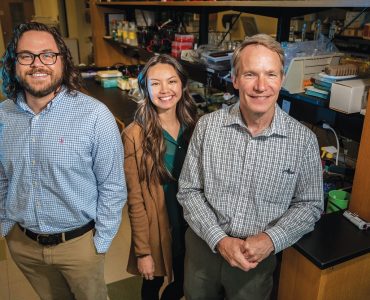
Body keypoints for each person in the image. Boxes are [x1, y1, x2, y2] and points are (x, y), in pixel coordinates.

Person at [177, 33, 324, 300]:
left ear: (281, 80)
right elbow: (189, 191)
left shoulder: (303, 141)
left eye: (270, 74)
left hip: (257, 261)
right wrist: (219, 239)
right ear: (234, 79)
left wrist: (271, 239)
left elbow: (310, 204)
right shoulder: (208, 127)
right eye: (250, 74)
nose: (260, 86)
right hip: (203, 251)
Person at [0, 22, 127, 300]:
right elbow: (2, 177)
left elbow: (113, 186)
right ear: (14, 62)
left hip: (79, 246)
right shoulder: (3, 116)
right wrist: (6, 226)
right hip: (23, 244)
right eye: (26, 56)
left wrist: (100, 243)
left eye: (47, 55)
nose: (37, 64)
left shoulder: (95, 116)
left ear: (62, 61)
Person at [123, 54, 197, 300]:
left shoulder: (195, 126)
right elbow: (135, 199)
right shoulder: (135, 135)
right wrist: (143, 251)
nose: (165, 90)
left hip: (191, 223)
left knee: (185, 282)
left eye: (171, 81)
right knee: (152, 285)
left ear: (182, 85)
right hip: (159, 225)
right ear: (145, 88)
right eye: (155, 83)